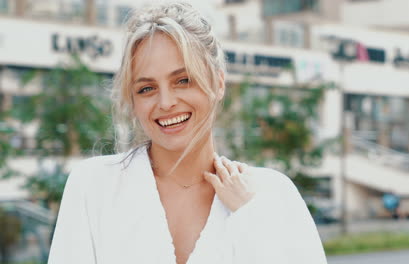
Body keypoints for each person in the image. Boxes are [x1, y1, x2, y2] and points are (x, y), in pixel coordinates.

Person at [47, 2, 327, 264]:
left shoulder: (272, 194)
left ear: (218, 83)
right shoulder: (94, 186)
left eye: (183, 80)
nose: (166, 102)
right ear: (133, 101)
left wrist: (250, 217)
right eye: (147, 88)